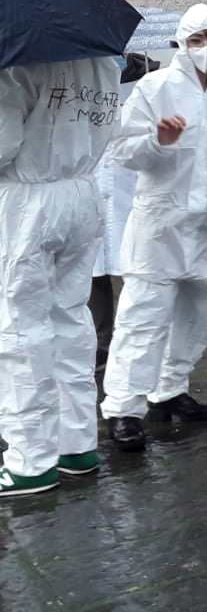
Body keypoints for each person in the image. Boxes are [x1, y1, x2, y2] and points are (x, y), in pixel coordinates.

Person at [100, 4, 207, 454]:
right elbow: (123, 150)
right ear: (181, 43)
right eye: (198, 40)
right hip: (160, 222)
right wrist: (159, 140)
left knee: (197, 315)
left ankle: (170, 387)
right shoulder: (154, 88)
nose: (206, 49)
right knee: (144, 317)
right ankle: (124, 408)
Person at [0, 51, 122, 496]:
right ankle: (75, 445)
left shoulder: (16, 62)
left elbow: (3, 141)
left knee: (17, 327)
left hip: (26, 200)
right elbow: (108, 125)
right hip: (81, 193)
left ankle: (30, 460)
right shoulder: (105, 60)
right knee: (70, 317)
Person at [91, 53, 156, 374]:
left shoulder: (145, 75)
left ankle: (136, 338)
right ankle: (102, 340)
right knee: (95, 271)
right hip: (92, 187)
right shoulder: (85, 74)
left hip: (129, 188)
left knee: (135, 268)